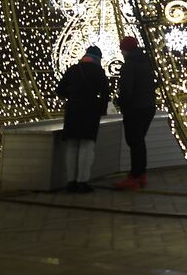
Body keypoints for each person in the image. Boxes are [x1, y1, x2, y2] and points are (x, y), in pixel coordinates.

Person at [56, 44, 110, 193]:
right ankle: (82, 181)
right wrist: (102, 108)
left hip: (73, 111)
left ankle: (70, 181)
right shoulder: (98, 71)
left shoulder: (73, 70)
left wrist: (73, 95)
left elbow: (59, 90)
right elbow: (106, 93)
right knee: (86, 147)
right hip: (90, 112)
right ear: (97, 59)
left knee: (72, 146)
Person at [113, 35, 157, 191]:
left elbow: (127, 89)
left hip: (135, 108)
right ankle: (141, 174)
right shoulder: (147, 62)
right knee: (139, 141)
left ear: (125, 49)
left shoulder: (129, 65)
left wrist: (120, 102)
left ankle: (134, 176)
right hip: (149, 106)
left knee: (134, 141)